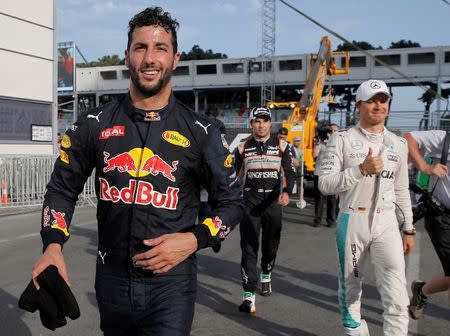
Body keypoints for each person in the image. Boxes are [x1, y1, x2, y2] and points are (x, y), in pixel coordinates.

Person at [30, 7, 243, 336]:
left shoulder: (203, 131)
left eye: (161, 48)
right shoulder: (93, 123)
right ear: (127, 56)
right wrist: (52, 246)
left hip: (171, 284)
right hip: (111, 281)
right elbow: (61, 189)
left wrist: (194, 239)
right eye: (141, 47)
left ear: (175, 59)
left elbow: (232, 203)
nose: (150, 58)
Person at [319, 79, 416, 336]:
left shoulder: (399, 143)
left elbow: (401, 189)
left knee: (397, 294)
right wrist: (360, 170)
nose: (378, 105)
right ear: (359, 104)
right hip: (352, 219)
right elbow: (325, 184)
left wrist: (408, 228)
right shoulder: (341, 139)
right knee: (350, 289)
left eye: (383, 100)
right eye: (372, 100)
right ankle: (355, 332)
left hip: (387, 224)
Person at [235, 106, 295, 313]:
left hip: (272, 203)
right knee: (248, 248)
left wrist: (286, 192)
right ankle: (249, 295)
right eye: (257, 121)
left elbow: (289, 172)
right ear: (251, 124)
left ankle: (266, 272)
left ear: (270, 123)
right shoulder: (243, 147)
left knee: (270, 247)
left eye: (265, 121)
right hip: (250, 203)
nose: (261, 125)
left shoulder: (283, 145)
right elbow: (233, 176)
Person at [403, 130, 450, 320]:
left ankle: (422, 291)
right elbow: (408, 139)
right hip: (442, 216)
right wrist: (424, 166)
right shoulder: (444, 138)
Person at [313, 124, 339, 227]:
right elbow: (314, 154)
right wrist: (317, 143)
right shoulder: (321, 143)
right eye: (331, 130)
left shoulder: (338, 144)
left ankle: (331, 221)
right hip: (320, 174)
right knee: (319, 199)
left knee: (332, 200)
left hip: (332, 174)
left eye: (334, 131)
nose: (332, 132)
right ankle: (317, 221)